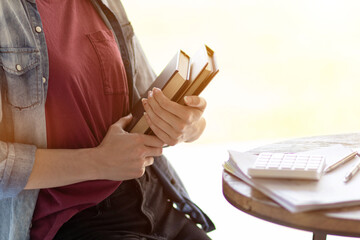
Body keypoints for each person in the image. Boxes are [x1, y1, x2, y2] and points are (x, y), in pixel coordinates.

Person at [0, 0, 215, 239]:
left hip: (152, 197)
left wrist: (187, 126)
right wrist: (98, 161)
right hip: (79, 221)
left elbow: (147, 98)